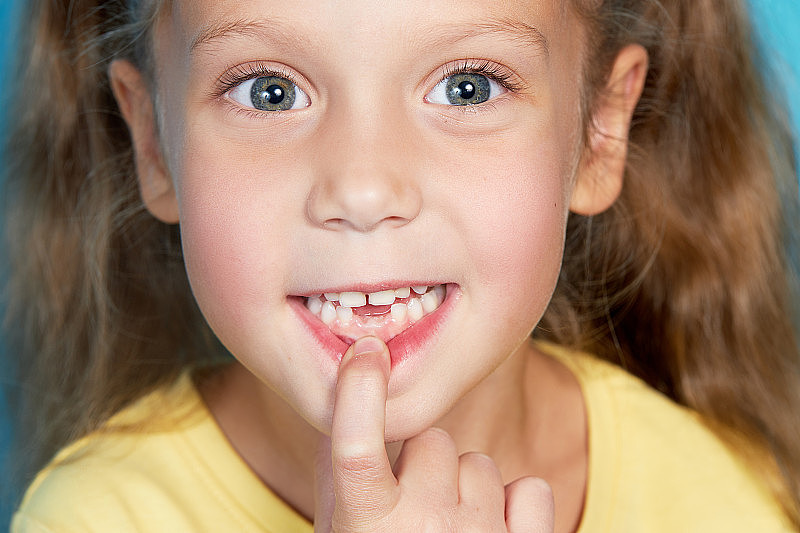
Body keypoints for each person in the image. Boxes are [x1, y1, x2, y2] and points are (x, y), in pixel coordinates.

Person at [3, 0, 799, 531]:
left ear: (598, 132)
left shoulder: (722, 499)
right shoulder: (96, 516)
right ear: (153, 142)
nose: (363, 187)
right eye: (270, 92)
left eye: (466, 86)